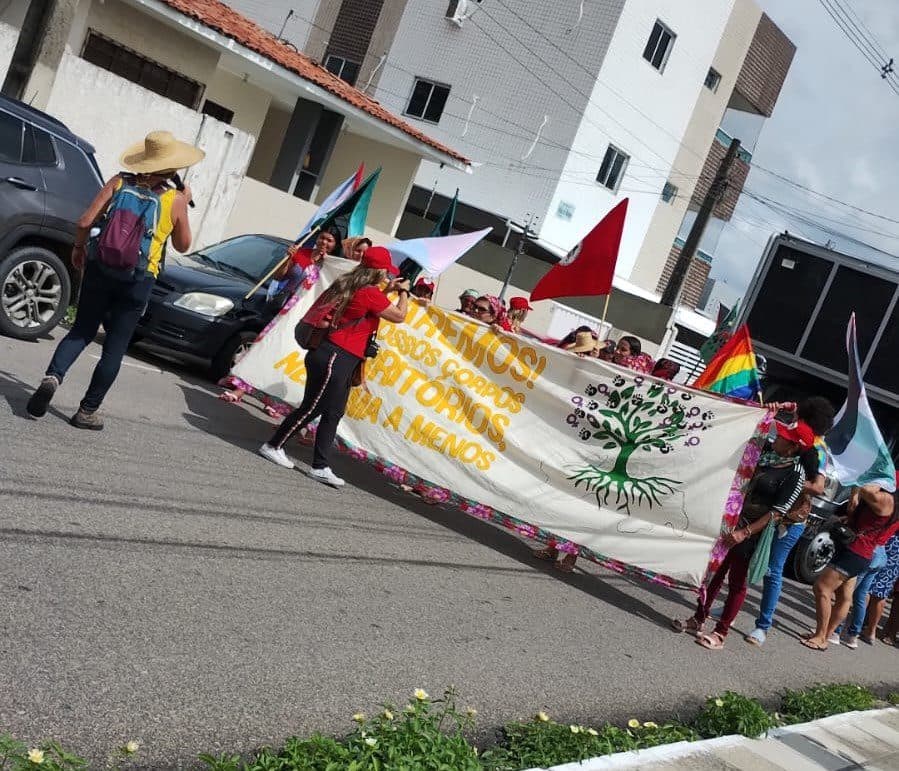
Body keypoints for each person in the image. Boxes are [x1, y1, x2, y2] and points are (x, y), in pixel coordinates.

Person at [26, 130, 201, 429]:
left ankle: (53, 377)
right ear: (172, 167)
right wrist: (184, 201)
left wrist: (79, 248)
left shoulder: (119, 182)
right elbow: (184, 245)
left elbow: (84, 222)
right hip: (139, 279)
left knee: (80, 331)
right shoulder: (174, 199)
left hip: (101, 268)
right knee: (115, 347)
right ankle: (86, 411)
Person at [258, 246, 409, 488]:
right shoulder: (369, 292)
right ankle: (274, 445)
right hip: (336, 356)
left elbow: (366, 308)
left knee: (333, 413)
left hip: (337, 356)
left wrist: (389, 291)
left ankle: (320, 466)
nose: (387, 276)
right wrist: (404, 293)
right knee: (313, 407)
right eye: (385, 272)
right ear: (377, 271)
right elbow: (399, 316)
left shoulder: (353, 284)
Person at [672, 420, 812, 650]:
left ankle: (721, 632)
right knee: (714, 574)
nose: (776, 438)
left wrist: (745, 532)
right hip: (731, 521)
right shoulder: (765, 454)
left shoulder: (795, 474)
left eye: (783, 437)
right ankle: (698, 618)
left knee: (737, 582)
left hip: (751, 533)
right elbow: (750, 435)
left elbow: (778, 512)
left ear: (794, 447)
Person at [218, 226, 343, 413]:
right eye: (322, 238)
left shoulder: (332, 267)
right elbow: (280, 276)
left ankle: (274, 403)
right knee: (266, 348)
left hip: (305, 318)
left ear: (335, 245)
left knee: (285, 358)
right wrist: (289, 259)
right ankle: (240, 389)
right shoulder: (302, 253)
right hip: (284, 311)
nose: (324, 243)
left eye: (329, 240)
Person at [745, 397, 835, 646]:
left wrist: (787, 479)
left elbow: (818, 487)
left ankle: (763, 625)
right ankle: (732, 604)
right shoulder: (797, 433)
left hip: (791, 519)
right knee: (746, 558)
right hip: (766, 508)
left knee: (773, 569)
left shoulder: (817, 450)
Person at [802, 479, 899, 651]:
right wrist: (855, 494)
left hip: (857, 552)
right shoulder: (880, 498)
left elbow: (866, 488)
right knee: (844, 596)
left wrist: (868, 478)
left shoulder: (886, 500)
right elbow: (855, 502)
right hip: (856, 549)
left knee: (822, 588)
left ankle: (821, 635)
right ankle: (826, 635)